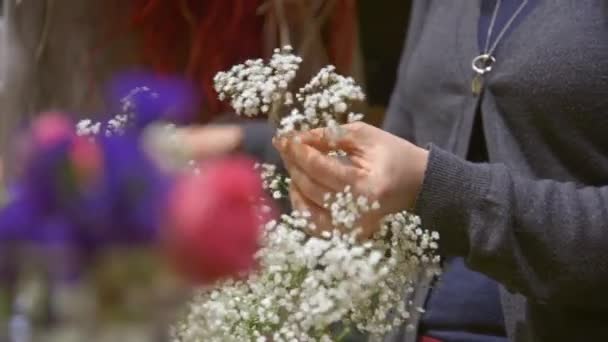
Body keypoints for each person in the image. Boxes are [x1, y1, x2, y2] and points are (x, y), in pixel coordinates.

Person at [186, 1, 608, 341]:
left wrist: (436, 188)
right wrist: (244, 148)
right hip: (400, 323)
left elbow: (422, 178)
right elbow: (395, 160)